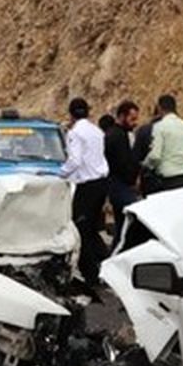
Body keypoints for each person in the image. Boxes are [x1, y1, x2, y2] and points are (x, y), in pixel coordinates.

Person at [59, 97, 109, 291]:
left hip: (87, 186)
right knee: (91, 229)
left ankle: (91, 275)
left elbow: (75, 160)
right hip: (101, 183)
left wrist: (59, 174)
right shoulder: (97, 131)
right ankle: (107, 266)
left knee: (80, 230)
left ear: (71, 114)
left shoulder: (76, 133)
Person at [104, 100, 140, 244]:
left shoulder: (117, 134)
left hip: (117, 184)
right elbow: (122, 164)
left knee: (121, 226)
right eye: (132, 119)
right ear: (121, 116)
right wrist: (133, 180)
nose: (135, 123)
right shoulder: (117, 136)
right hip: (119, 185)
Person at [143, 94, 183, 191]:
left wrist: (145, 164)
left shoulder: (159, 126)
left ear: (159, 108)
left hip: (169, 179)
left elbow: (155, 156)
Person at [132, 107, 162, 196]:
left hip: (149, 178)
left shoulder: (143, 130)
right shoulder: (175, 129)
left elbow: (136, 156)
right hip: (171, 178)